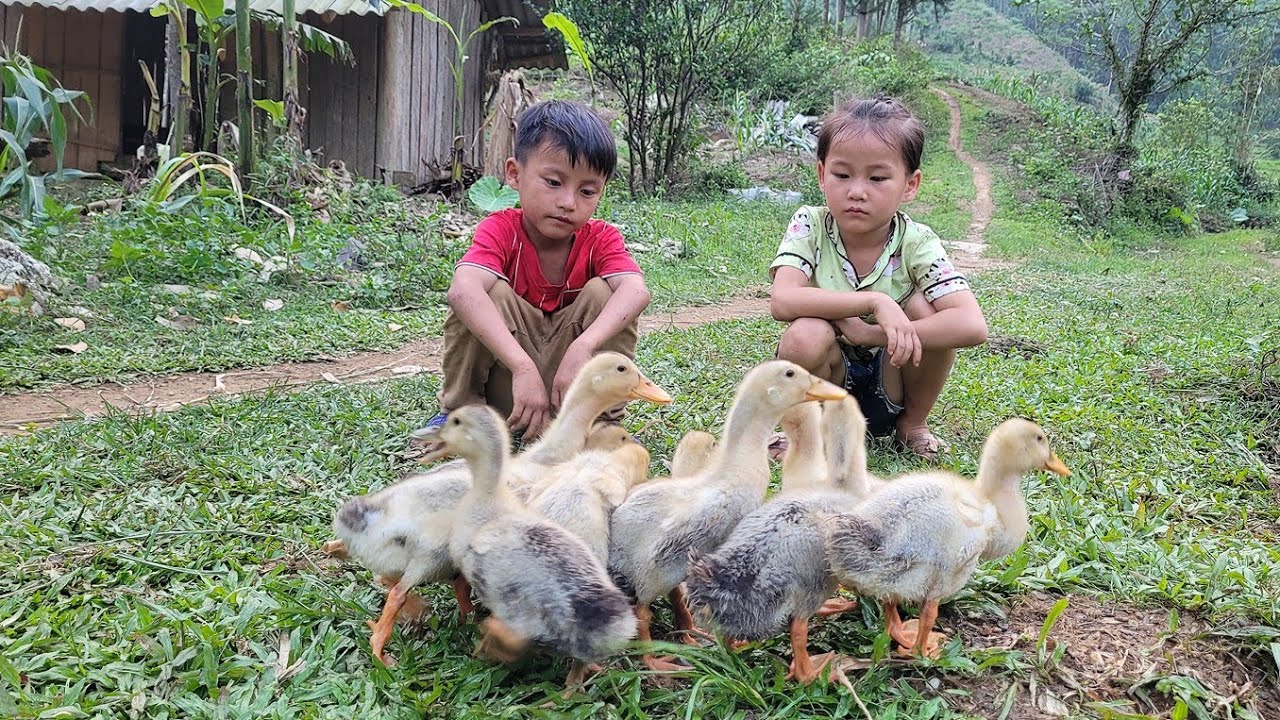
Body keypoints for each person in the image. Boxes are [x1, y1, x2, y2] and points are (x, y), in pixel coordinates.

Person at [769, 96, 988, 460]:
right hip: (828, 380)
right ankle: (807, 432)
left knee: (925, 309)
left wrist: (872, 333)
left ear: (910, 185)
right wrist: (875, 301)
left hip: (894, 381)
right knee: (805, 332)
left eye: (877, 178)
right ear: (822, 175)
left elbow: (971, 324)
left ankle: (912, 425)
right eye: (842, 175)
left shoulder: (916, 241)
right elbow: (783, 299)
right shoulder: (810, 224)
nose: (857, 191)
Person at [423, 100, 651, 440]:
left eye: (587, 191)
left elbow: (636, 291)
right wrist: (521, 366)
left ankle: (603, 423)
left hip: (574, 395)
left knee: (606, 293)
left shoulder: (601, 238)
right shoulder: (500, 230)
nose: (569, 202)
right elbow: (462, 290)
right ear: (515, 173)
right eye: (553, 182)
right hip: (510, 396)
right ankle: (460, 415)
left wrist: (582, 347)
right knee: (485, 293)